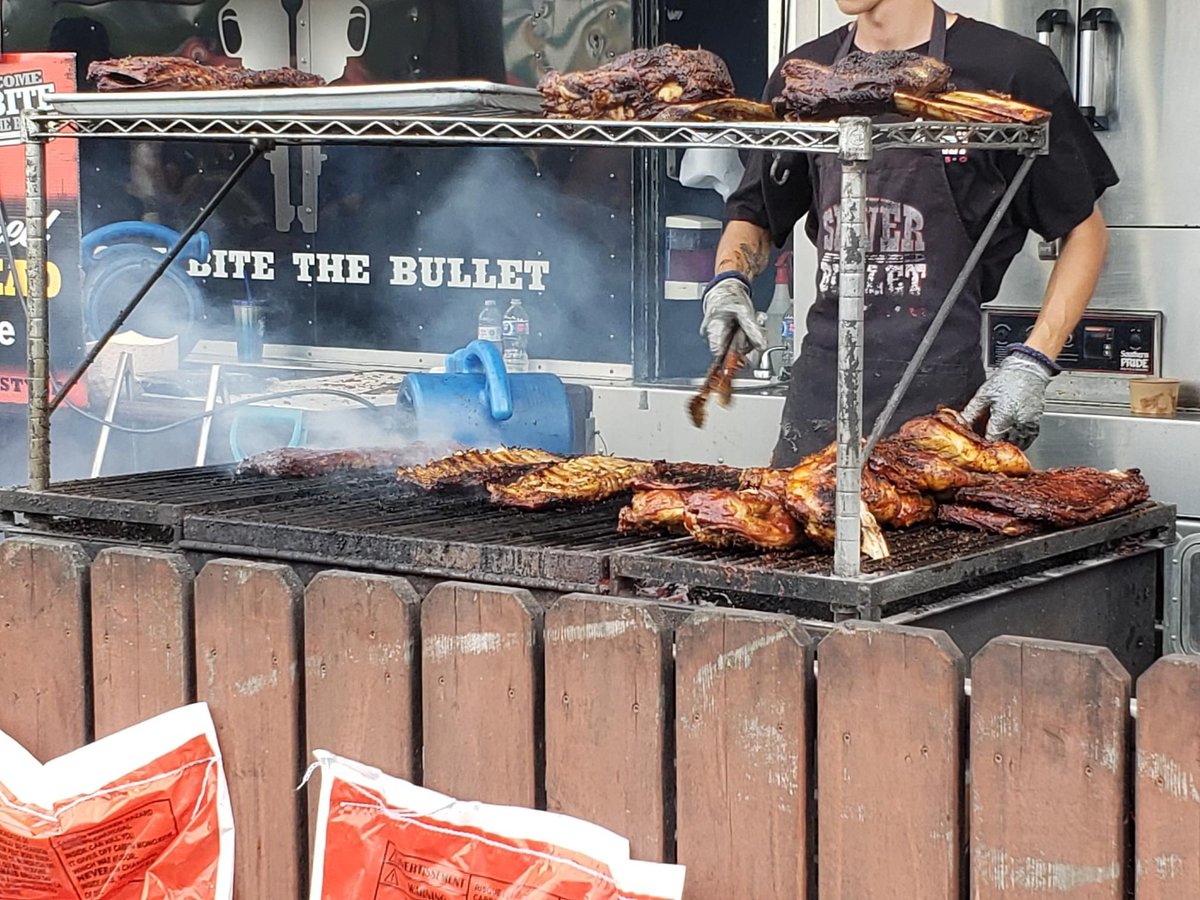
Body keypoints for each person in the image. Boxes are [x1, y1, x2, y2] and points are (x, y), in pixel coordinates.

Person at [701, 0, 1115, 466]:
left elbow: (1084, 232)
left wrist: (1033, 361)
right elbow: (756, 212)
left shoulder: (1010, 69)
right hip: (819, 398)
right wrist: (729, 283)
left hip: (940, 406)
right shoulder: (803, 78)